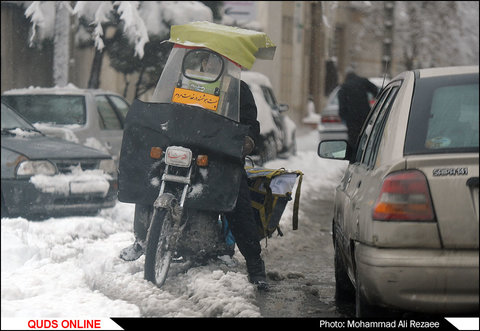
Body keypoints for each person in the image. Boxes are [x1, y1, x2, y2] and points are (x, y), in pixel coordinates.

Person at [119, 80, 269, 290]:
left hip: (215, 152)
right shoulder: (181, 79)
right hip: (177, 143)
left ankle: (255, 264)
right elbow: (162, 107)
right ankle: (142, 240)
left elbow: (250, 125)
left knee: (236, 196)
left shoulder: (236, 89)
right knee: (149, 182)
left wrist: (247, 141)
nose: (206, 62)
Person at [338, 68, 379, 148]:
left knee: (354, 142)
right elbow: (376, 90)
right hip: (365, 116)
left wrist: (344, 119)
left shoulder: (344, 87)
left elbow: (342, 107)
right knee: (366, 137)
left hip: (352, 120)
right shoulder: (362, 81)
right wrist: (376, 101)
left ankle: (355, 155)